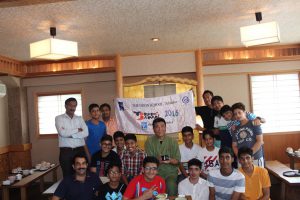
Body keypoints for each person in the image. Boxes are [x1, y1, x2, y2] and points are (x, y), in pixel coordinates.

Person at [144, 117, 180, 196]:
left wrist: (170, 160)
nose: (160, 129)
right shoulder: (149, 142)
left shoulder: (173, 141)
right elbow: (149, 162)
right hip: (155, 172)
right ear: (153, 129)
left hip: (170, 172)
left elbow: (177, 160)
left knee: (171, 185)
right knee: (156, 187)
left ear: (165, 127)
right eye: (157, 127)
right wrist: (158, 160)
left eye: (162, 126)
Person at [55, 97, 88, 177]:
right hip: (66, 152)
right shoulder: (59, 118)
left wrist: (70, 135)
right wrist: (77, 129)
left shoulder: (79, 118)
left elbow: (86, 133)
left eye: (74, 106)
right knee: (67, 175)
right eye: (70, 105)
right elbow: (62, 133)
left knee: (81, 174)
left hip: (80, 150)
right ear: (65, 106)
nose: (72, 108)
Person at [231, 102, 264, 167]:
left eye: (239, 112)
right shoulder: (235, 128)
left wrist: (249, 156)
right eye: (235, 114)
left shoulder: (254, 123)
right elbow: (234, 145)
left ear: (244, 112)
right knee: (243, 177)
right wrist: (240, 157)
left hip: (255, 158)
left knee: (258, 176)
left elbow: (260, 141)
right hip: (241, 160)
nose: (237, 115)